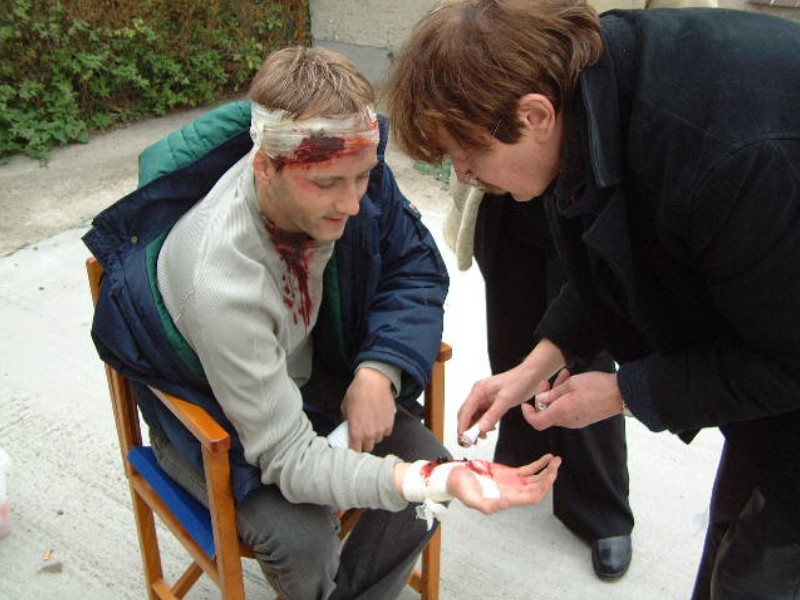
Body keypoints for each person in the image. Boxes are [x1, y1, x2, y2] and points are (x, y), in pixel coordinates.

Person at [85, 46, 561, 600]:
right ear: (264, 165)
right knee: (306, 540)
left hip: (310, 378)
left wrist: (379, 370)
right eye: (330, 183)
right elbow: (287, 459)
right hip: (218, 419)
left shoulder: (347, 160)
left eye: (363, 177)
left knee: (427, 480)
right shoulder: (222, 281)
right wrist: (432, 479)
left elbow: (415, 270)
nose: (354, 203)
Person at [385, 2, 800, 598]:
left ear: (534, 116)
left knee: (757, 573)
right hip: (776, 343)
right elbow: (619, 262)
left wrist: (625, 392)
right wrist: (531, 368)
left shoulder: (729, 158)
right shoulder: (591, 96)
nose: (465, 175)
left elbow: (787, 362)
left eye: (467, 158)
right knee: (733, 528)